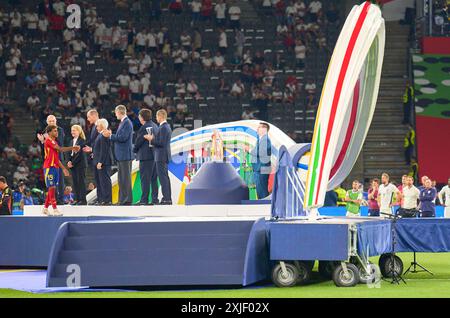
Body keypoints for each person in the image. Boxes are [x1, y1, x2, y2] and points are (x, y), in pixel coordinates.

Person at [42, 125, 79, 216]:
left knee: (52, 188)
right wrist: (72, 148)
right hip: (49, 168)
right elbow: (60, 149)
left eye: (57, 131)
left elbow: (56, 159)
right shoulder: (48, 141)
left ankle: (45, 208)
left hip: (55, 168)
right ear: (49, 132)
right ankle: (55, 209)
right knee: (52, 188)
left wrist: (63, 169)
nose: (56, 132)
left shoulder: (54, 142)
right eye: (54, 131)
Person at [103, 105, 134, 205]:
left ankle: (127, 200)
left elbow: (123, 137)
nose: (115, 115)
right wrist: (112, 135)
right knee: (121, 179)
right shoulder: (123, 123)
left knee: (125, 178)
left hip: (125, 155)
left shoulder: (127, 123)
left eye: (116, 113)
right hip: (122, 155)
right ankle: (122, 199)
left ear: (119, 112)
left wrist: (111, 136)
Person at [144, 109, 172, 205]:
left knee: (163, 178)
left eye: (157, 116)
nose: (156, 118)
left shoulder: (164, 127)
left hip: (161, 156)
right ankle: (167, 198)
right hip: (162, 156)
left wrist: (151, 139)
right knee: (165, 178)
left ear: (160, 116)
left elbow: (161, 143)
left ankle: (166, 199)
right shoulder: (165, 126)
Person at [37, 115, 66, 204]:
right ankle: (52, 199)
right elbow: (43, 148)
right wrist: (42, 141)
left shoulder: (59, 130)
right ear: (47, 122)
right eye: (50, 121)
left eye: (53, 121)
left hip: (58, 159)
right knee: (50, 180)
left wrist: (47, 139)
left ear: (56, 121)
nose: (51, 123)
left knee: (60, 180)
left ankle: (60, 200)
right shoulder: (44, 131)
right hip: (48, 160)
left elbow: (59, 144)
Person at [134, 109, 159, 205]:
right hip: (154, 156)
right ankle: (154, 199)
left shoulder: (144, 127)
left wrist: (134, 150)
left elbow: (138, 142)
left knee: (145, 179)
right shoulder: (155, 126)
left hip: (145, 157)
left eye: (139, 116)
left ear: (142, 117)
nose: (138, 118)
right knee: (153, 179)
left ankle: (144, 200)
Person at [245, 122, 272, 199]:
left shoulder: (265, 140)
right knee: (260, 190)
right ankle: (263, 205)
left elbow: (260, 153)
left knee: (262, 191)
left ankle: (265, 207)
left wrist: (249, 150)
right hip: (259, 168)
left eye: (259, 127)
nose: (257, 129)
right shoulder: (261, 140)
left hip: (261, 168)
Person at [93, 119, 113, 205]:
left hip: (104, 162)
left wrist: (100, 161)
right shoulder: (101, 134)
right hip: (101, 161)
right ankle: (103, 199)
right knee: (102, 181)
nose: (96, 127)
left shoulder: (104, 134)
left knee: (105, 181)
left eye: (97, 125)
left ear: (102, 126)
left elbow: (104, 150)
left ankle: (107, 200)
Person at [67, 125, 87, 205]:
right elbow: (68, 152)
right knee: (75, 182)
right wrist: (68, 161)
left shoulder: (82, 141)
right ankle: (77, 199)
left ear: (79, 131)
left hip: (80, 164)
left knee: (81, 182)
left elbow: (80, 154)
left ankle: (83, 200)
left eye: (74, 130)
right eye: (72, 130)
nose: (72, 132)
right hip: (73, 165)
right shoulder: (71, 141)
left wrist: (72, 163)